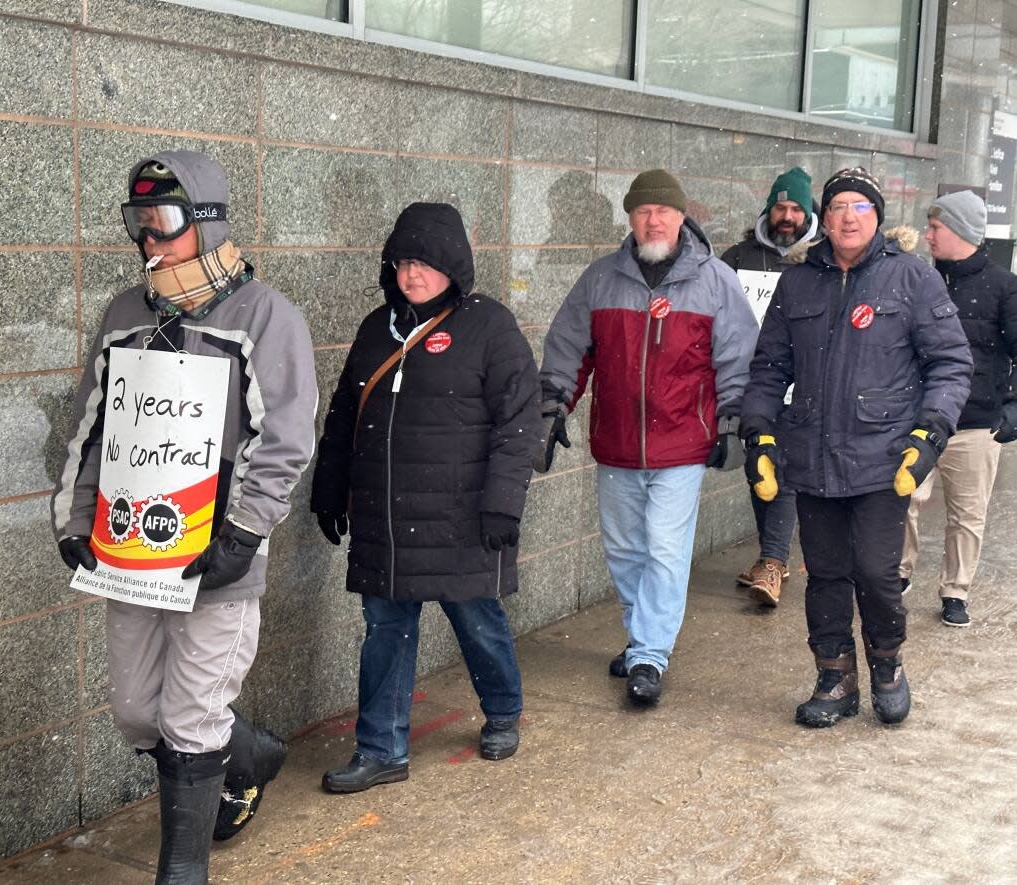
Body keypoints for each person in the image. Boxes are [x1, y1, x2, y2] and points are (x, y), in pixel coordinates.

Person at [51, 151, 318, 883]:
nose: (149, 242)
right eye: (138, 224)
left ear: (204, 223)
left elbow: (287, 436)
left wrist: (244, 532)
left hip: (218, 557)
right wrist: (74, 519)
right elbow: (91, 426)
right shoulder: (124, 314)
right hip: (136, 550)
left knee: (191, 716)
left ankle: (184, 868)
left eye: (163, 223)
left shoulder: (266, 317)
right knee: (140, 714)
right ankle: (250, 751)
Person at [310, 202, 539, 793]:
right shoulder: (373, 329)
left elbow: (519, 422)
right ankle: (381, 747)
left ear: (454, 266)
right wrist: (330, 483)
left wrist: (502, 504)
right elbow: (343, 415)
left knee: (477, 619)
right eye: (404, 262)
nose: (413, 275)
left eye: (427, 264)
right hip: (386, 516)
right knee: (385, 627)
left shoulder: (490, 327)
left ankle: (504, 711)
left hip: (461, 515)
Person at [741, 167, 972, 729]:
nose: (849, 215)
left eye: (861, 207)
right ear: (826, 217)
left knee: (875, 572)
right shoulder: (798, 282)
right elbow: (769, 366)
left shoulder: (913, 279)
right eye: (839, 205)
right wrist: (758, 431)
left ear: (878, 218)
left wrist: (930, 432)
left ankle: (887, 666)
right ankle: (835, 676)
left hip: (883, 459)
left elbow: (951, 364)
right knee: (825, 574)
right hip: (812, 456)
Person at [536, 169, 759, 707]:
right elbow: (568, 348)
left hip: (682, 443)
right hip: (617, 443)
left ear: (683, 217)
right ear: (630, 219)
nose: (653, 220)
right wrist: (551, 409)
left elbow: (736, 358)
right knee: (625, 550)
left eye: (663, 211)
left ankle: (649, 655)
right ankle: (644, 637)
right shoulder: (600, 279)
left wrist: (733, 422)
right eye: (642, 212)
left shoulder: (716, 281)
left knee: (663, 547)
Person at [900, 191, 1017, 626]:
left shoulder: (1005, 286)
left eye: (935, 228)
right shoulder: (919, 279)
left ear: (961, 232)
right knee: (902, 497)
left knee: (967, 515)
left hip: (976, 424)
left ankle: (956, 591)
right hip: (920, 416)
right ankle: (897, 573)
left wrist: (1014, 403)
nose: (927, 235)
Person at [721, 167, 822, 606]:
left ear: (809, 212)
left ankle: (773, 560)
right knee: (758, 467)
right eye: (780, 206)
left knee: (782, 469)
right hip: (751, 384)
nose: (787, 216)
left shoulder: (822, 259)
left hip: (801, 386)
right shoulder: (737, 257)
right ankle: (773, 560)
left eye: (796, 208)